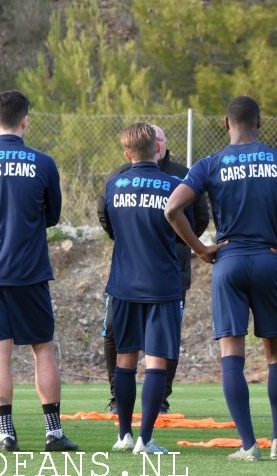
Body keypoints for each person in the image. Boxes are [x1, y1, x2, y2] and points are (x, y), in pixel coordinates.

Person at [165, 96, 277, 461]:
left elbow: (172, 208)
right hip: (271, 260)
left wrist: (199, 247)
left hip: (228, 261)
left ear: (227, 124)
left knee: (232, 354)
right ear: (259, 122)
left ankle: (247, 446)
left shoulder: (209, 163)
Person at [0, 90, 77, 452]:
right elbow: (53, 216)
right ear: (25, 120)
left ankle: (6, 433)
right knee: (43, 349)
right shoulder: (43, 163)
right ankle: (53, 433)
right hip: (29, 270)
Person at [97, 125, 209, 415]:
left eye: (161, 138)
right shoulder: (124, 178)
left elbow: (200, 216)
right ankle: (127, 412)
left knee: (149, 348)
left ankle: (154, 407)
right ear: (153, 147)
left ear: (164, 145)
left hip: (157, 275)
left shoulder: (179, 176)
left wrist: (173, 241)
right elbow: (106, 217)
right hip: (145, 278)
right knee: (126, 340)